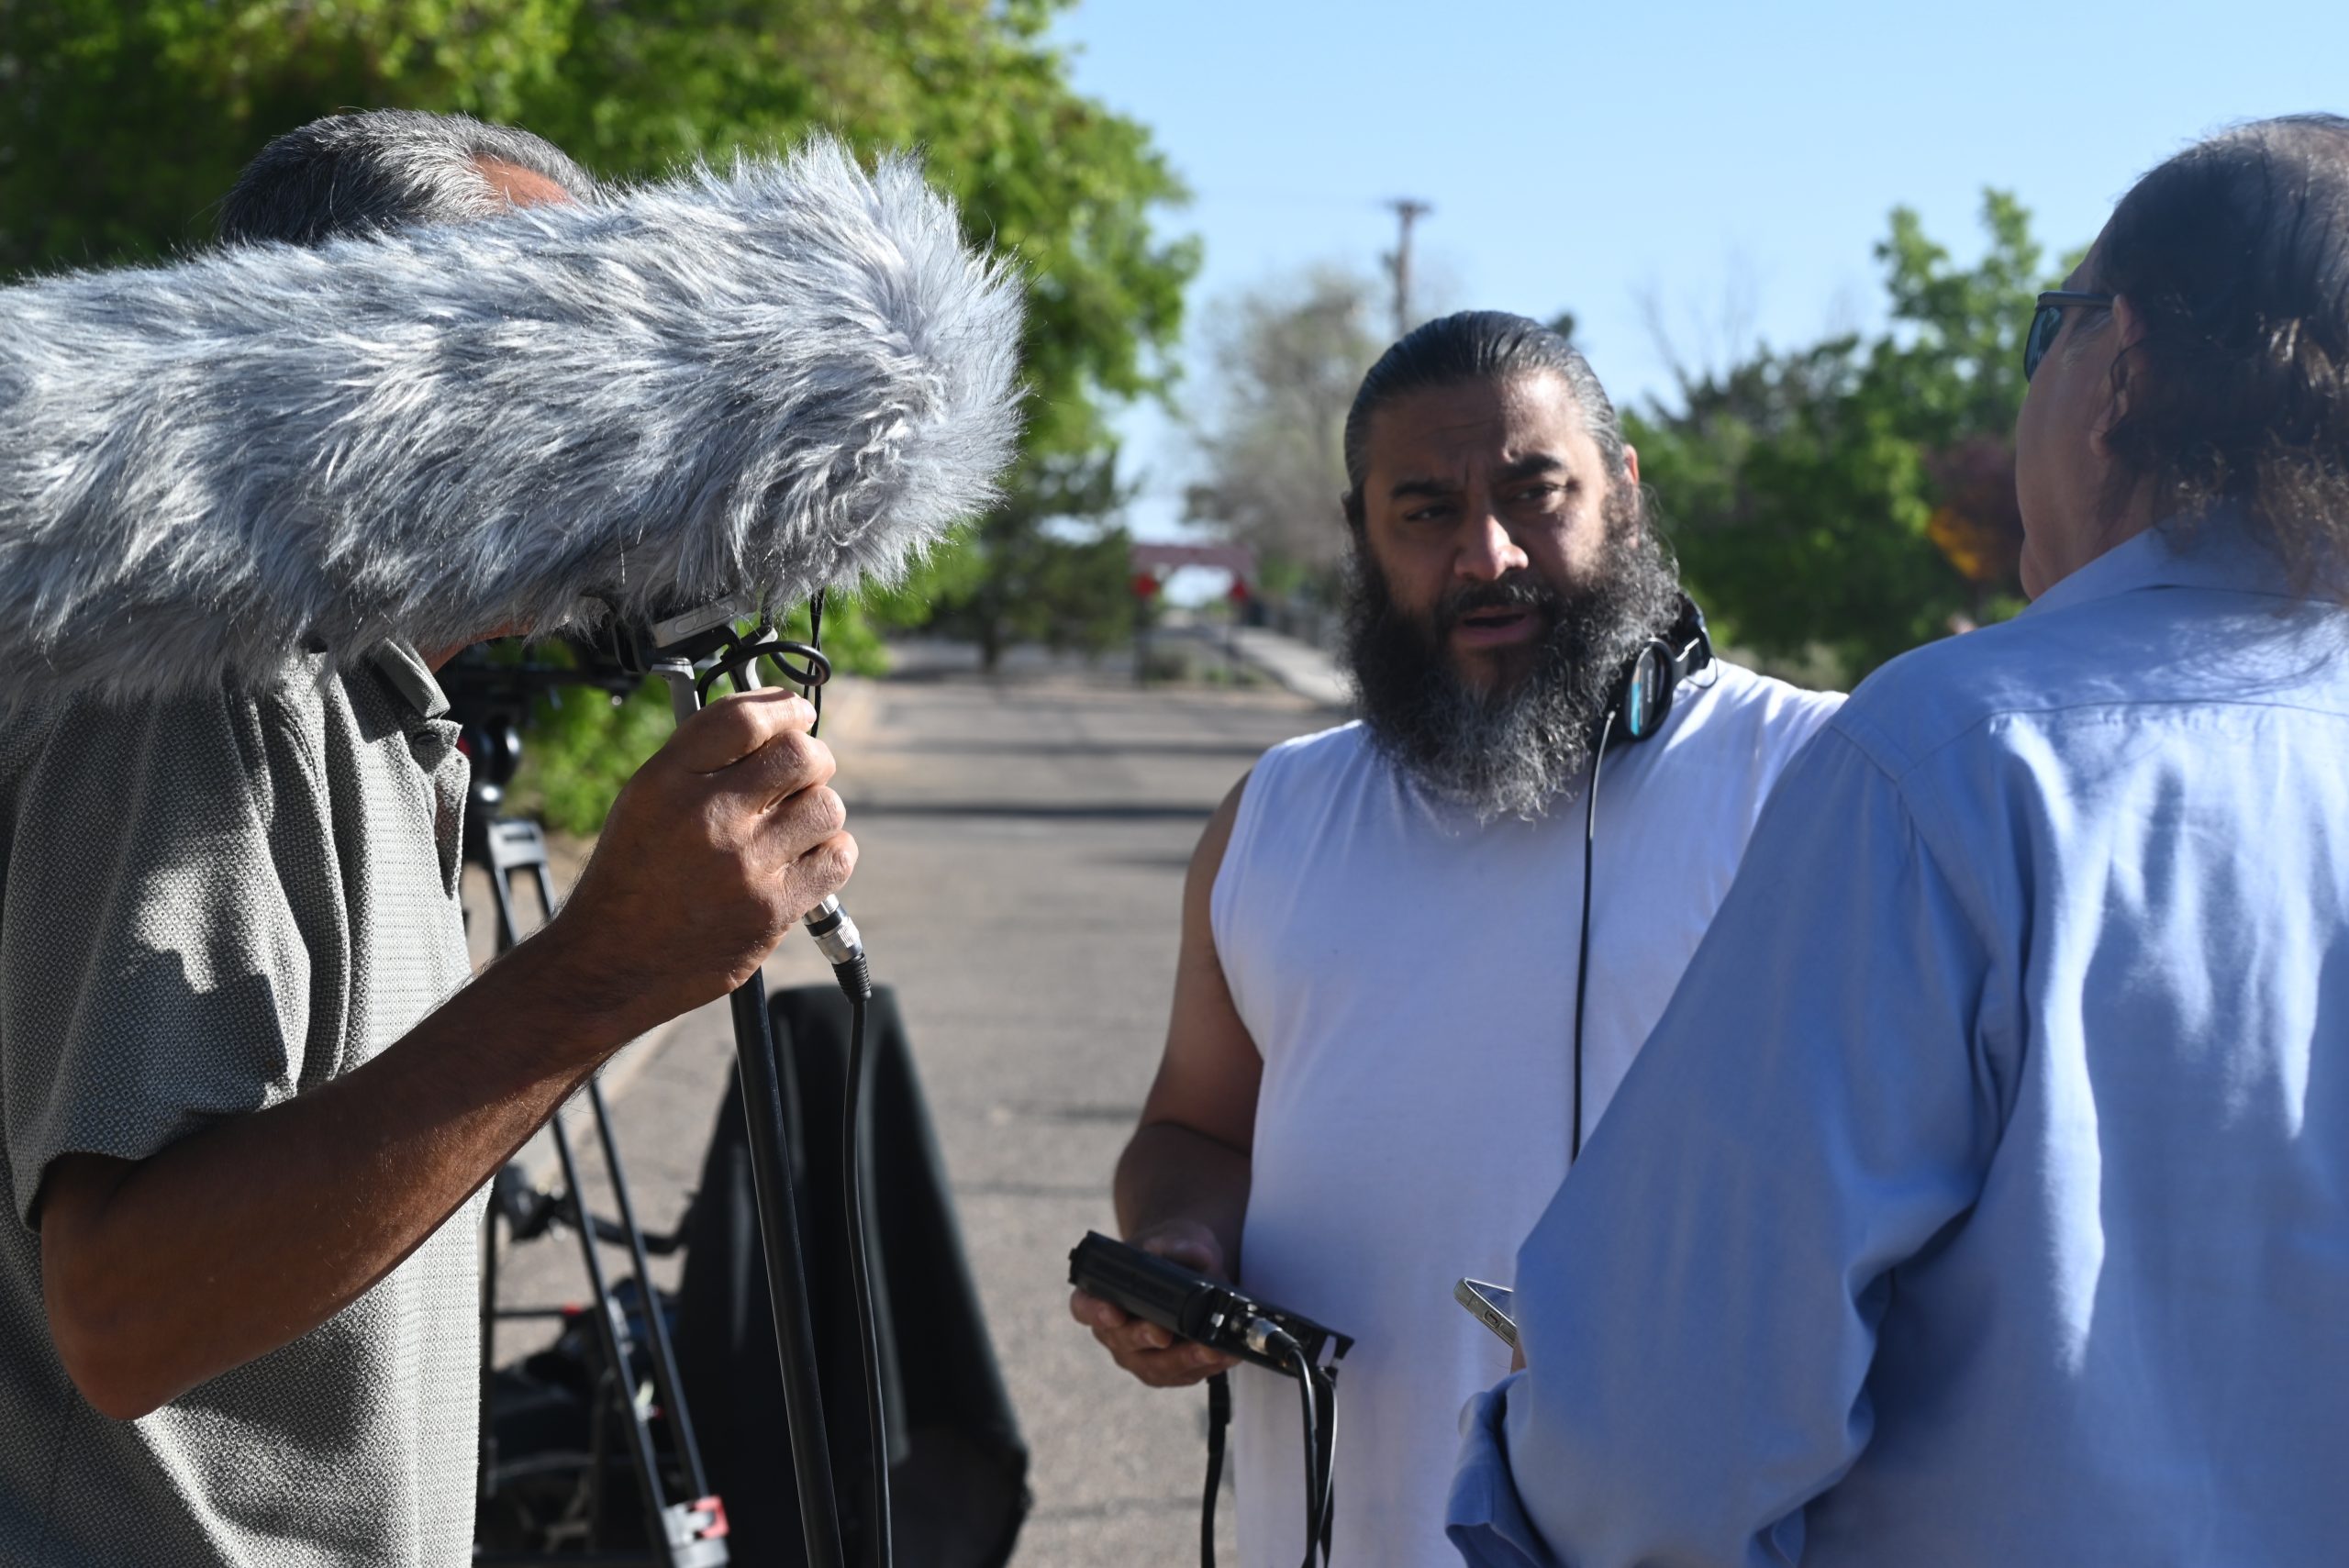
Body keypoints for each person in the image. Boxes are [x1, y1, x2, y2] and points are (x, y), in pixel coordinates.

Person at [1449, 115, 2349, 1568]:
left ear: (2117, 362)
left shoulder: (1960, 754)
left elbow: (1666, 1430)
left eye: (2041, 326)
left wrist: (1540, 1480)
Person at [0, 112, 858, 1565]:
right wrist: (605, 969)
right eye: (535, 350)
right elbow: (124, 1310)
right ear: (360, 357)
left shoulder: (379, 690)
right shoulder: (189, 684)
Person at [1070, 311, 1842, 1568]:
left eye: (1538, 494)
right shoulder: (1273, 817)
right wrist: (1179, 1247)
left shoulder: (1806, 779)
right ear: (1363, 539)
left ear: (1625, 491)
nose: (1488, 555)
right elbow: (1194, 1129)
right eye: (1425, 511)